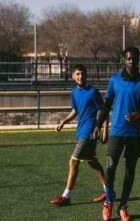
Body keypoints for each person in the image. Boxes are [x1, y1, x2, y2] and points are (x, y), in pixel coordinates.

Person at [96, 46, 140, 221]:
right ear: (123, 60)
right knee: (110, 169)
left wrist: (138, 114)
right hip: (116, 133)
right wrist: (98, 124)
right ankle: (108, 202)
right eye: (129, 58)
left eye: (135, 58)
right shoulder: (114, 80)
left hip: (134, 134)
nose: (132, 61)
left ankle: (123, 205)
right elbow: (107, 103)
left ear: (138, 60)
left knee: (130, 170)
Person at [49, 64, 106, 206]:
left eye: (83, 74)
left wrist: (105, 128)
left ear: (87, 75)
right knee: (92, 161)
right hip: (81, 129)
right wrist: (64, 122)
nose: (81, 77)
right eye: (78, 74)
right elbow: (75, 111)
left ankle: (66, 196)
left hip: (90, 131)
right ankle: (108, 190)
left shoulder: (93, 92)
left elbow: (103, 110)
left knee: (73, 161)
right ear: (74, 76)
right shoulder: (74, 92)